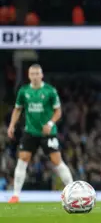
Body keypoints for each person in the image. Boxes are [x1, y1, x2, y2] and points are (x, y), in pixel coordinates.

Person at [7, 64, 73, 203]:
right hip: (30, 131)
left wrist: (50, 124)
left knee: (56, 161)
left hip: (47, 133)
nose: (35, 76)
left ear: (42, 75)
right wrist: (12, 125)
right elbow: (17, 109)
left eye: (38, 73)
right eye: (32, 74)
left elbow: (58, 111)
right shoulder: (24, 91)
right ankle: (15, 195)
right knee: (22, 159)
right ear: (29, 76)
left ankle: (72, 191)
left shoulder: (50, 91)